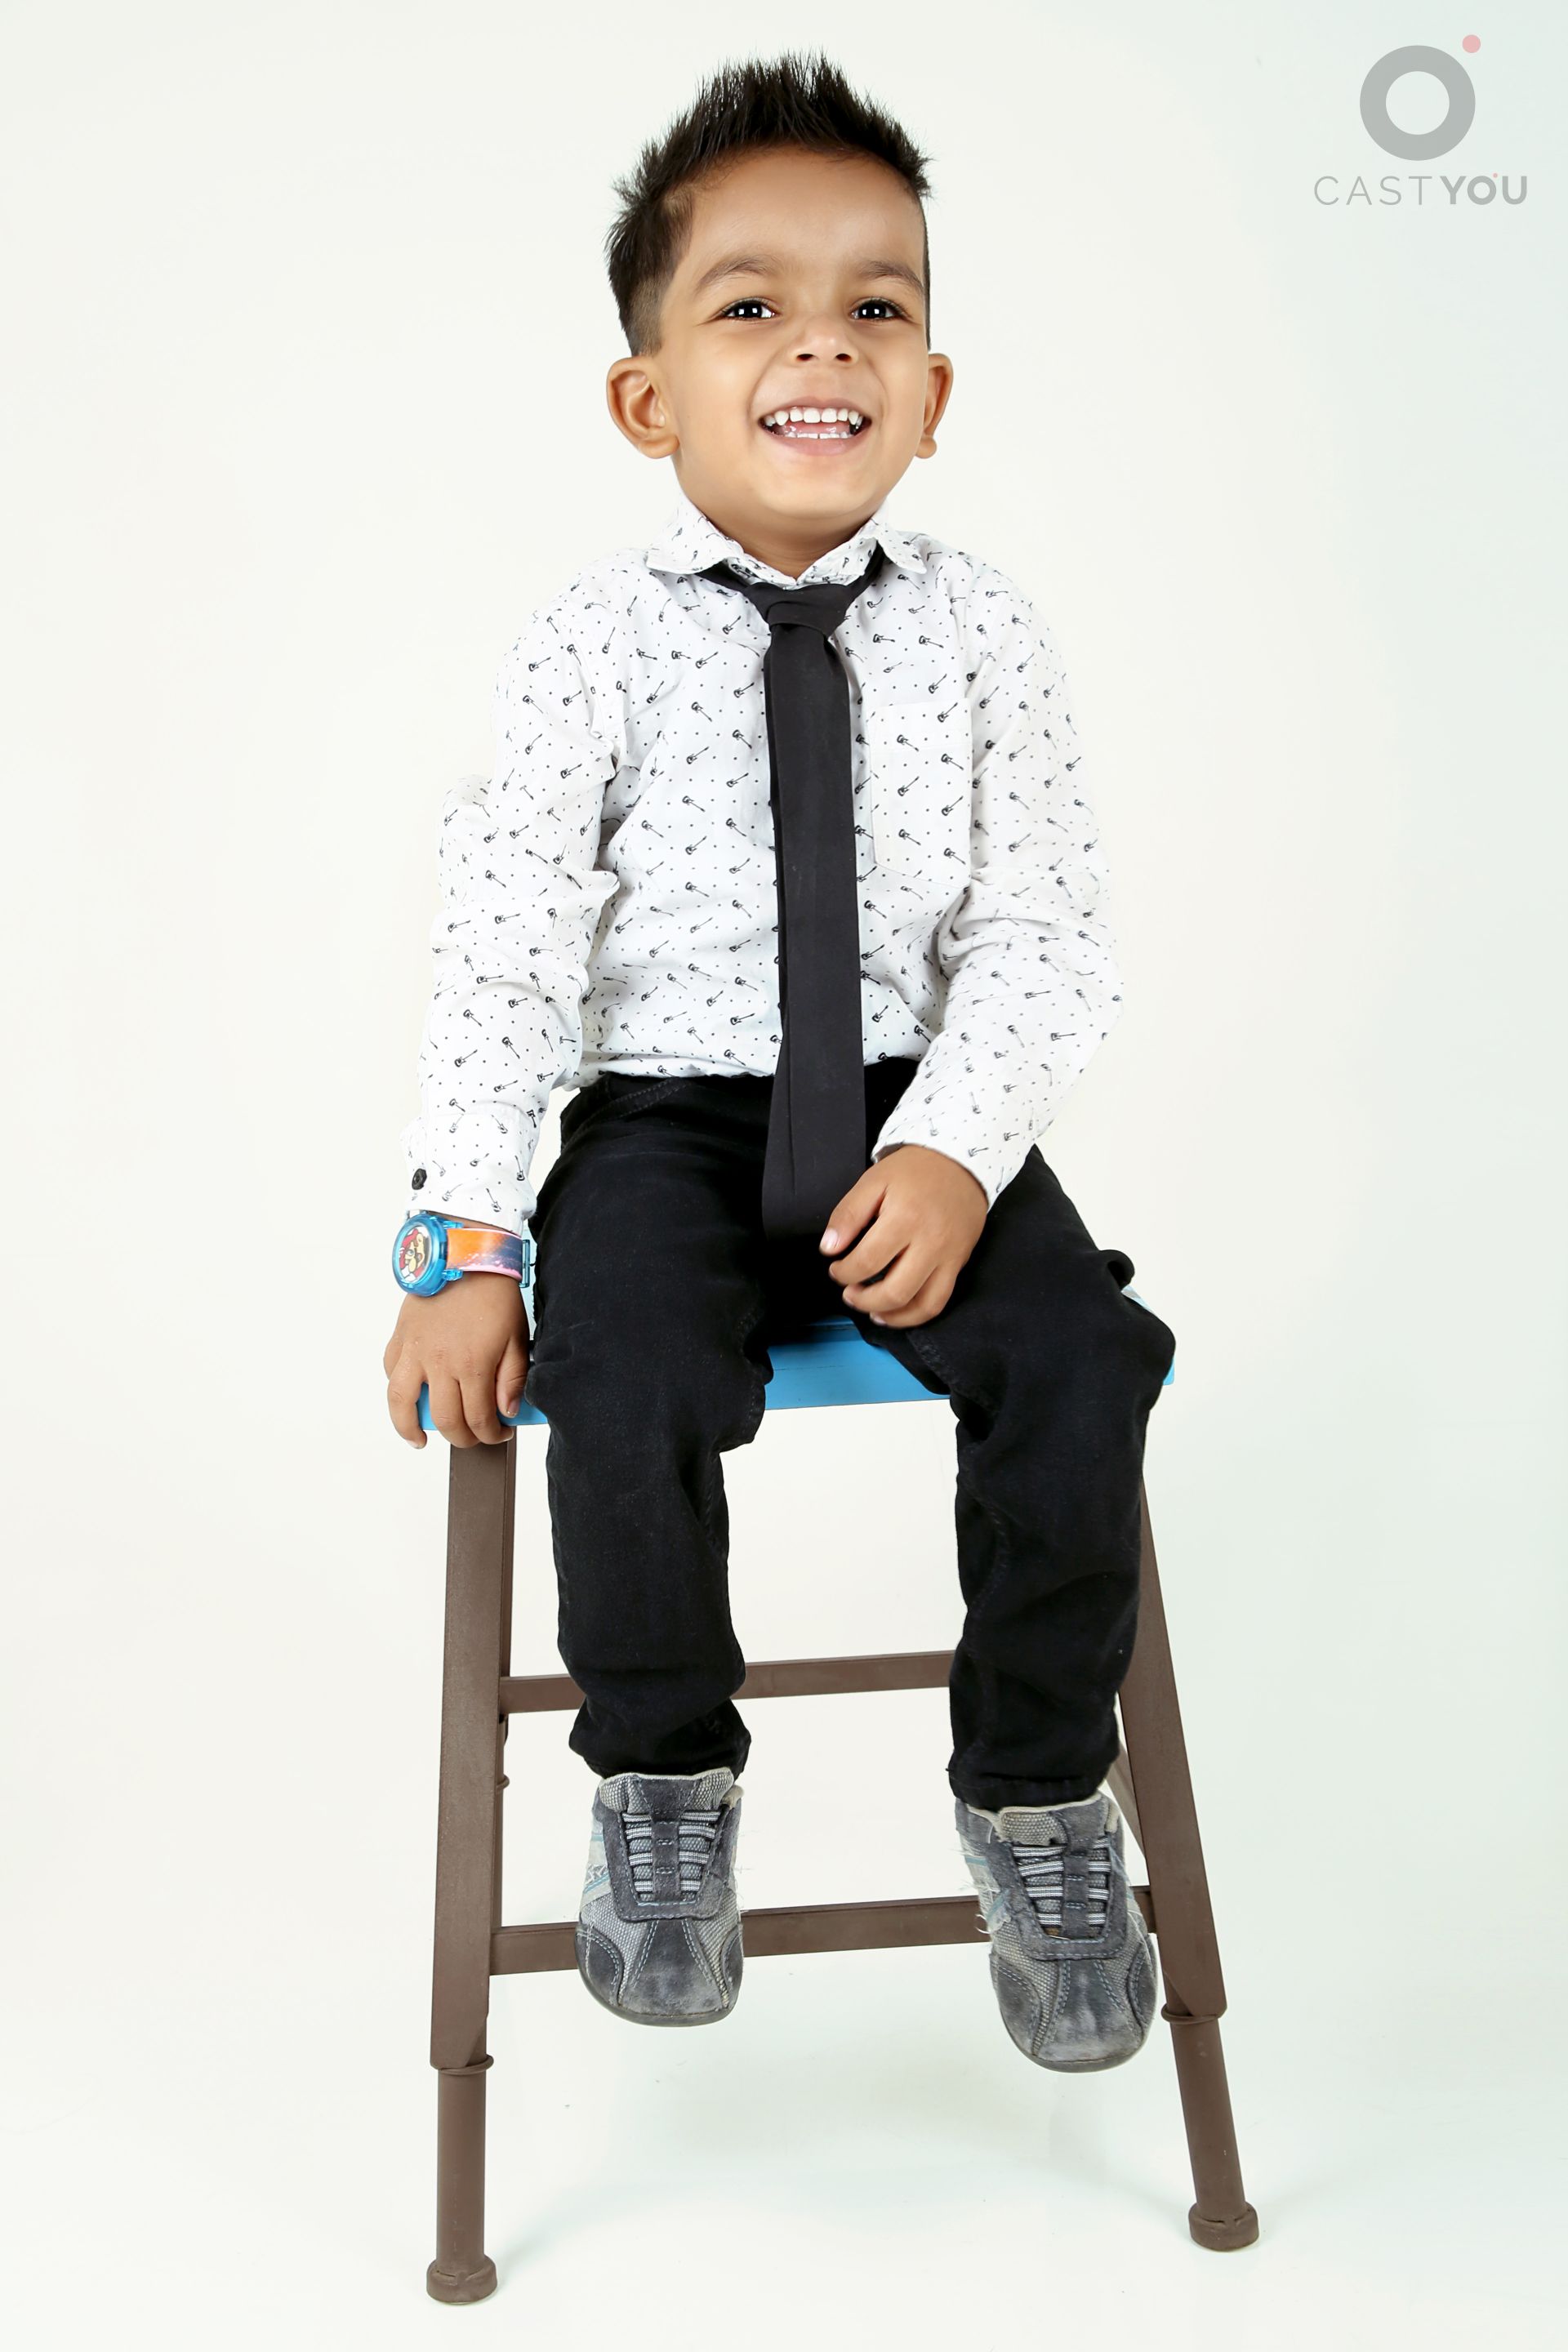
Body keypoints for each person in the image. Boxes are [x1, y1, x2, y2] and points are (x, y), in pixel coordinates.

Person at [384, 50, 1176, 2070]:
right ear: (649, 397)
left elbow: (1042, 932)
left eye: (875, 307)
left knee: (1083, 1358)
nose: (824, 343)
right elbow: (505, 954)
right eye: (753, 305)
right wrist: (466, 1239)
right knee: (626, 1371)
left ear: (932, 388)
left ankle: (1036, 1792)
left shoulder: (988, 635)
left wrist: (964, 1150)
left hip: (917, 1110)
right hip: (665, 1117)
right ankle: (661, 1776)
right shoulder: (590, 644)